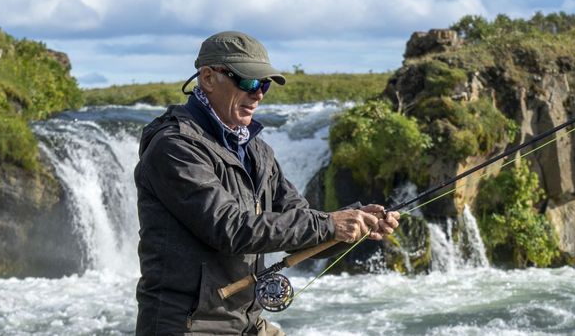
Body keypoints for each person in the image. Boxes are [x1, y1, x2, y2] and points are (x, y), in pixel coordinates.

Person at [134, 31, 399, 335]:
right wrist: (330, 224)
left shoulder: (257, 151)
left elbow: (302, 226)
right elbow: (230, 229)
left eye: (264, 84)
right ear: (207, 78)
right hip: (188, 325)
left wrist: (357, 222)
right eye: (247, 82)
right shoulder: (175, 147)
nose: (257, 93)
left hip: (247, 322)